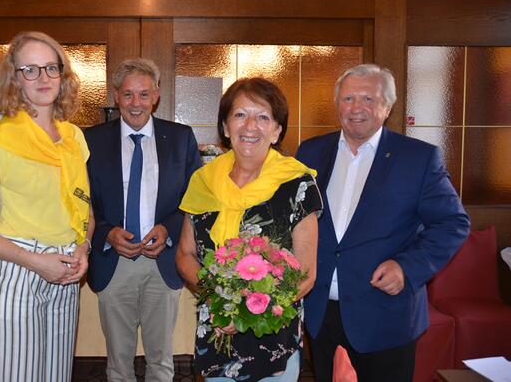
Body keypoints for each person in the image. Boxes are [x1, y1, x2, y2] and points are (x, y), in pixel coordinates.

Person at [295, 64, 470, 382]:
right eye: (348, 98)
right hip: (320, 311)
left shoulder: (418, 158)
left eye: (368, 98)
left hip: (384, 314)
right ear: (338, 104)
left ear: (387, 106)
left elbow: (452, 223)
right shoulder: (310, 153)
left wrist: (407, 267)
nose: (356, 108)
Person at [0, 31, 94, 382]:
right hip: (18, 269)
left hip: (64, 268)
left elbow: (85, 213)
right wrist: (35, 262)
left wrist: (83, 248)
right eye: (30, 70)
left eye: (50, 68)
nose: (43, 78)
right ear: (14, 78)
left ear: (63, 75)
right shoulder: (2, 140)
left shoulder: (74, 138)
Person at [176, 77, 322, 381]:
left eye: (263, 117)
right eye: (240, 115)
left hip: (271, 337)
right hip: (217, 329)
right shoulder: (203, 181)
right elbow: (186, 254)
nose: (250, 125)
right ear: (226, 128)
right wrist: (220, 302)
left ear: (277, 130)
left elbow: (306, 273)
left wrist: (250, 311)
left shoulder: (297, 184)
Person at [84, 58, 201, 382]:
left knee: (161, 361)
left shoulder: (180, 138)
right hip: (113, 263)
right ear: (116, 95)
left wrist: (169, 229)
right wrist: (106, 234)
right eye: (128, 95)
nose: (136, 104)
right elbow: (83, 202)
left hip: (162, 261)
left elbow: (195, 200)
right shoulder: (91, 141)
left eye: (144, 95)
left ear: (157, 95)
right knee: (118, 364)